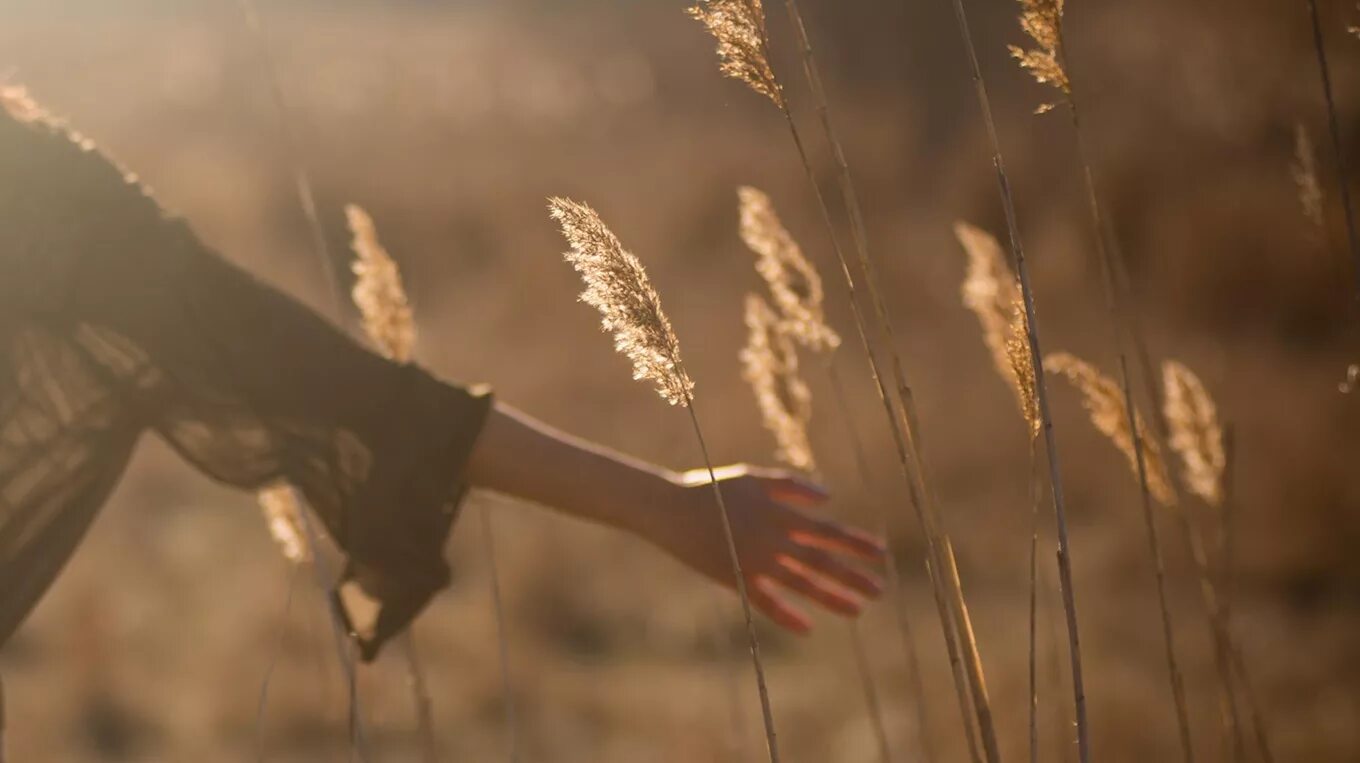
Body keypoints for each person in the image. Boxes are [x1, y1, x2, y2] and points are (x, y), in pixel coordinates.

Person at [0, 87, 885, 663]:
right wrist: (661, 503)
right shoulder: (38, 187)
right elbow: (334, 384)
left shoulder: (38, 188)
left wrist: (664, 502)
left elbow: (320, 378)